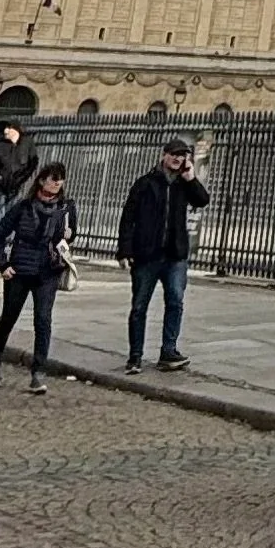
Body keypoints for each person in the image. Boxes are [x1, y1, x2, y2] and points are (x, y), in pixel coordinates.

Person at [116, 133, 210, 373]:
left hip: (174, 255)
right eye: (175, 154)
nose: (179, 159)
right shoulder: (146, 183)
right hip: (147, 255)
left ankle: (168, 351)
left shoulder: (183, 184)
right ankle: (135, 356)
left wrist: (191, 178)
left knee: (175, 302)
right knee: (139, 307)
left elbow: (202, 200)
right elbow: (128, 217)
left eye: (183, 155)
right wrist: (124, 250)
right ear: (164, 155)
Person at [0, 160, 77, 392]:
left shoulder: (66, 208)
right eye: (53, 177)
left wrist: (69, 235)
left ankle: (38, 372)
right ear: (42, 180)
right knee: (8, 318)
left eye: (61, 177)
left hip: (48, 271)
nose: (57, 182)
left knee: (43, 321)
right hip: (20, 270)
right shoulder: (24, 207)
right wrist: (2, 264)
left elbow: (69, 237)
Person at [0, 119, 36, 248]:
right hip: (0, 186)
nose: (6, 131)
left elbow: (31, 163)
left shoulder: (25, 145)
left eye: (10, 129)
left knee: (8, 217)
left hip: (15, 186)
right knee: (0, 217)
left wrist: (22, 178)